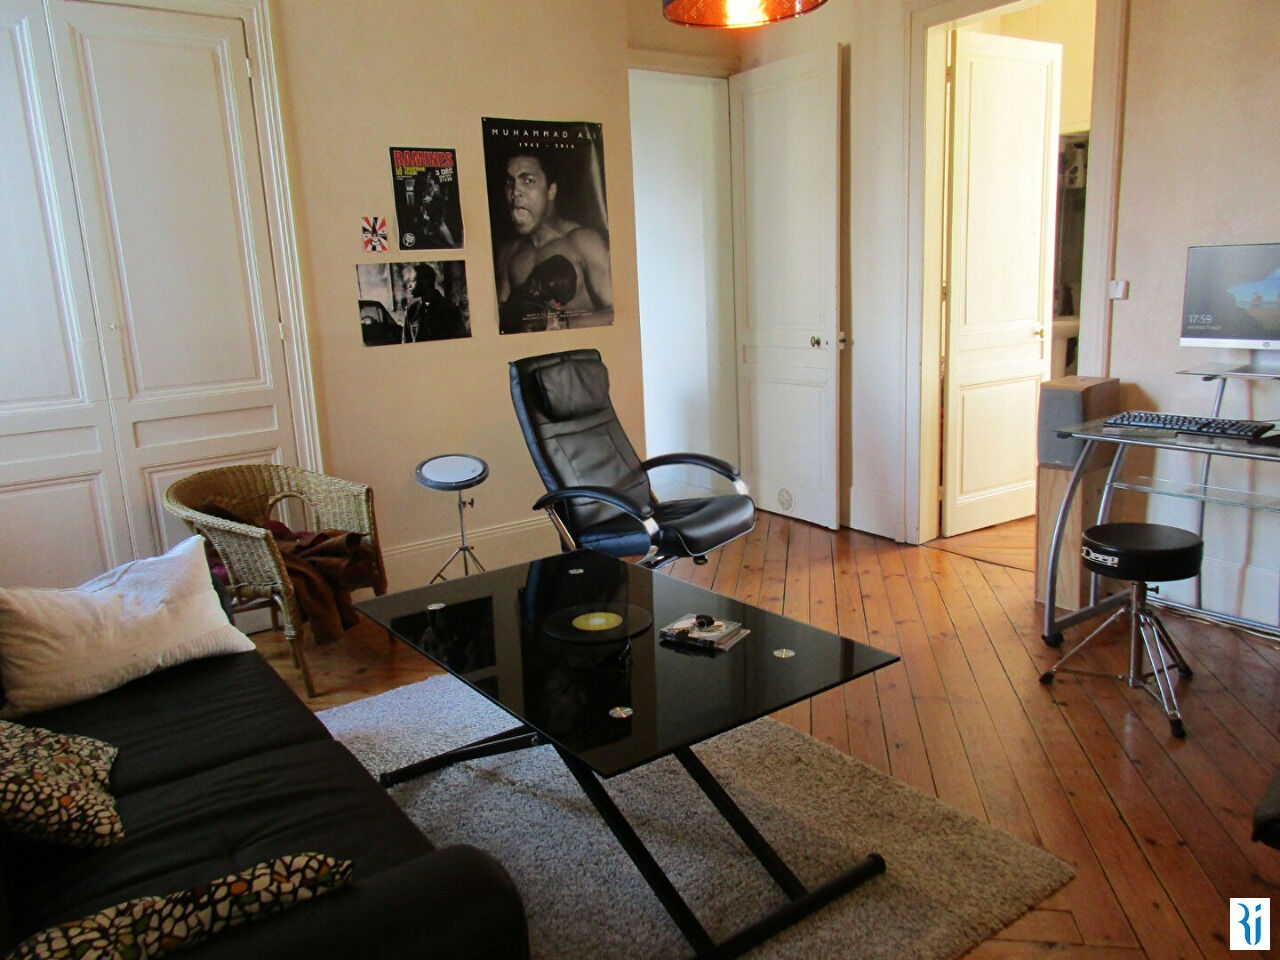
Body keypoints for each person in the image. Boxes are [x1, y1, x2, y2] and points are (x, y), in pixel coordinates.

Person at [495, 150, 612, 333]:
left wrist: (562, 323)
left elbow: (618, 313)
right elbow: (500, 326)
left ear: (551, 191)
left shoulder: (583, 241)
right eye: (510, 182)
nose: (515, 192)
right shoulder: (509, 254)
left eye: (528, 181)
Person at [403, 264, 467, 342]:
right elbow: (406, 343)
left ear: (426, 281)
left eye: (413, 280)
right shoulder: (411, 310)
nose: (409, 286)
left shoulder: (449, 310)